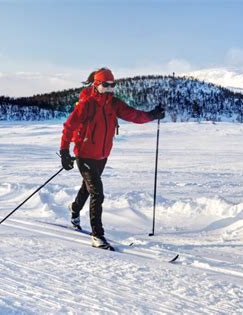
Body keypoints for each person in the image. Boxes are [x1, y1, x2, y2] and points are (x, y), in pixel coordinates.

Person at [59, 67, 165, 250]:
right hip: (84, 155)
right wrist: (64, 152)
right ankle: (97, 236)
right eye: (106, 85)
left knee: (88, 187)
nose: (110, 88)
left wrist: (150, 115)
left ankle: (74, 209)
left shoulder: (113, 104)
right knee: (97, 193)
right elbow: (69, 127)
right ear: (97, 84)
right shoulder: (87, 104)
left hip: (102, 156)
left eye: (113, 85)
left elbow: (133, 115)